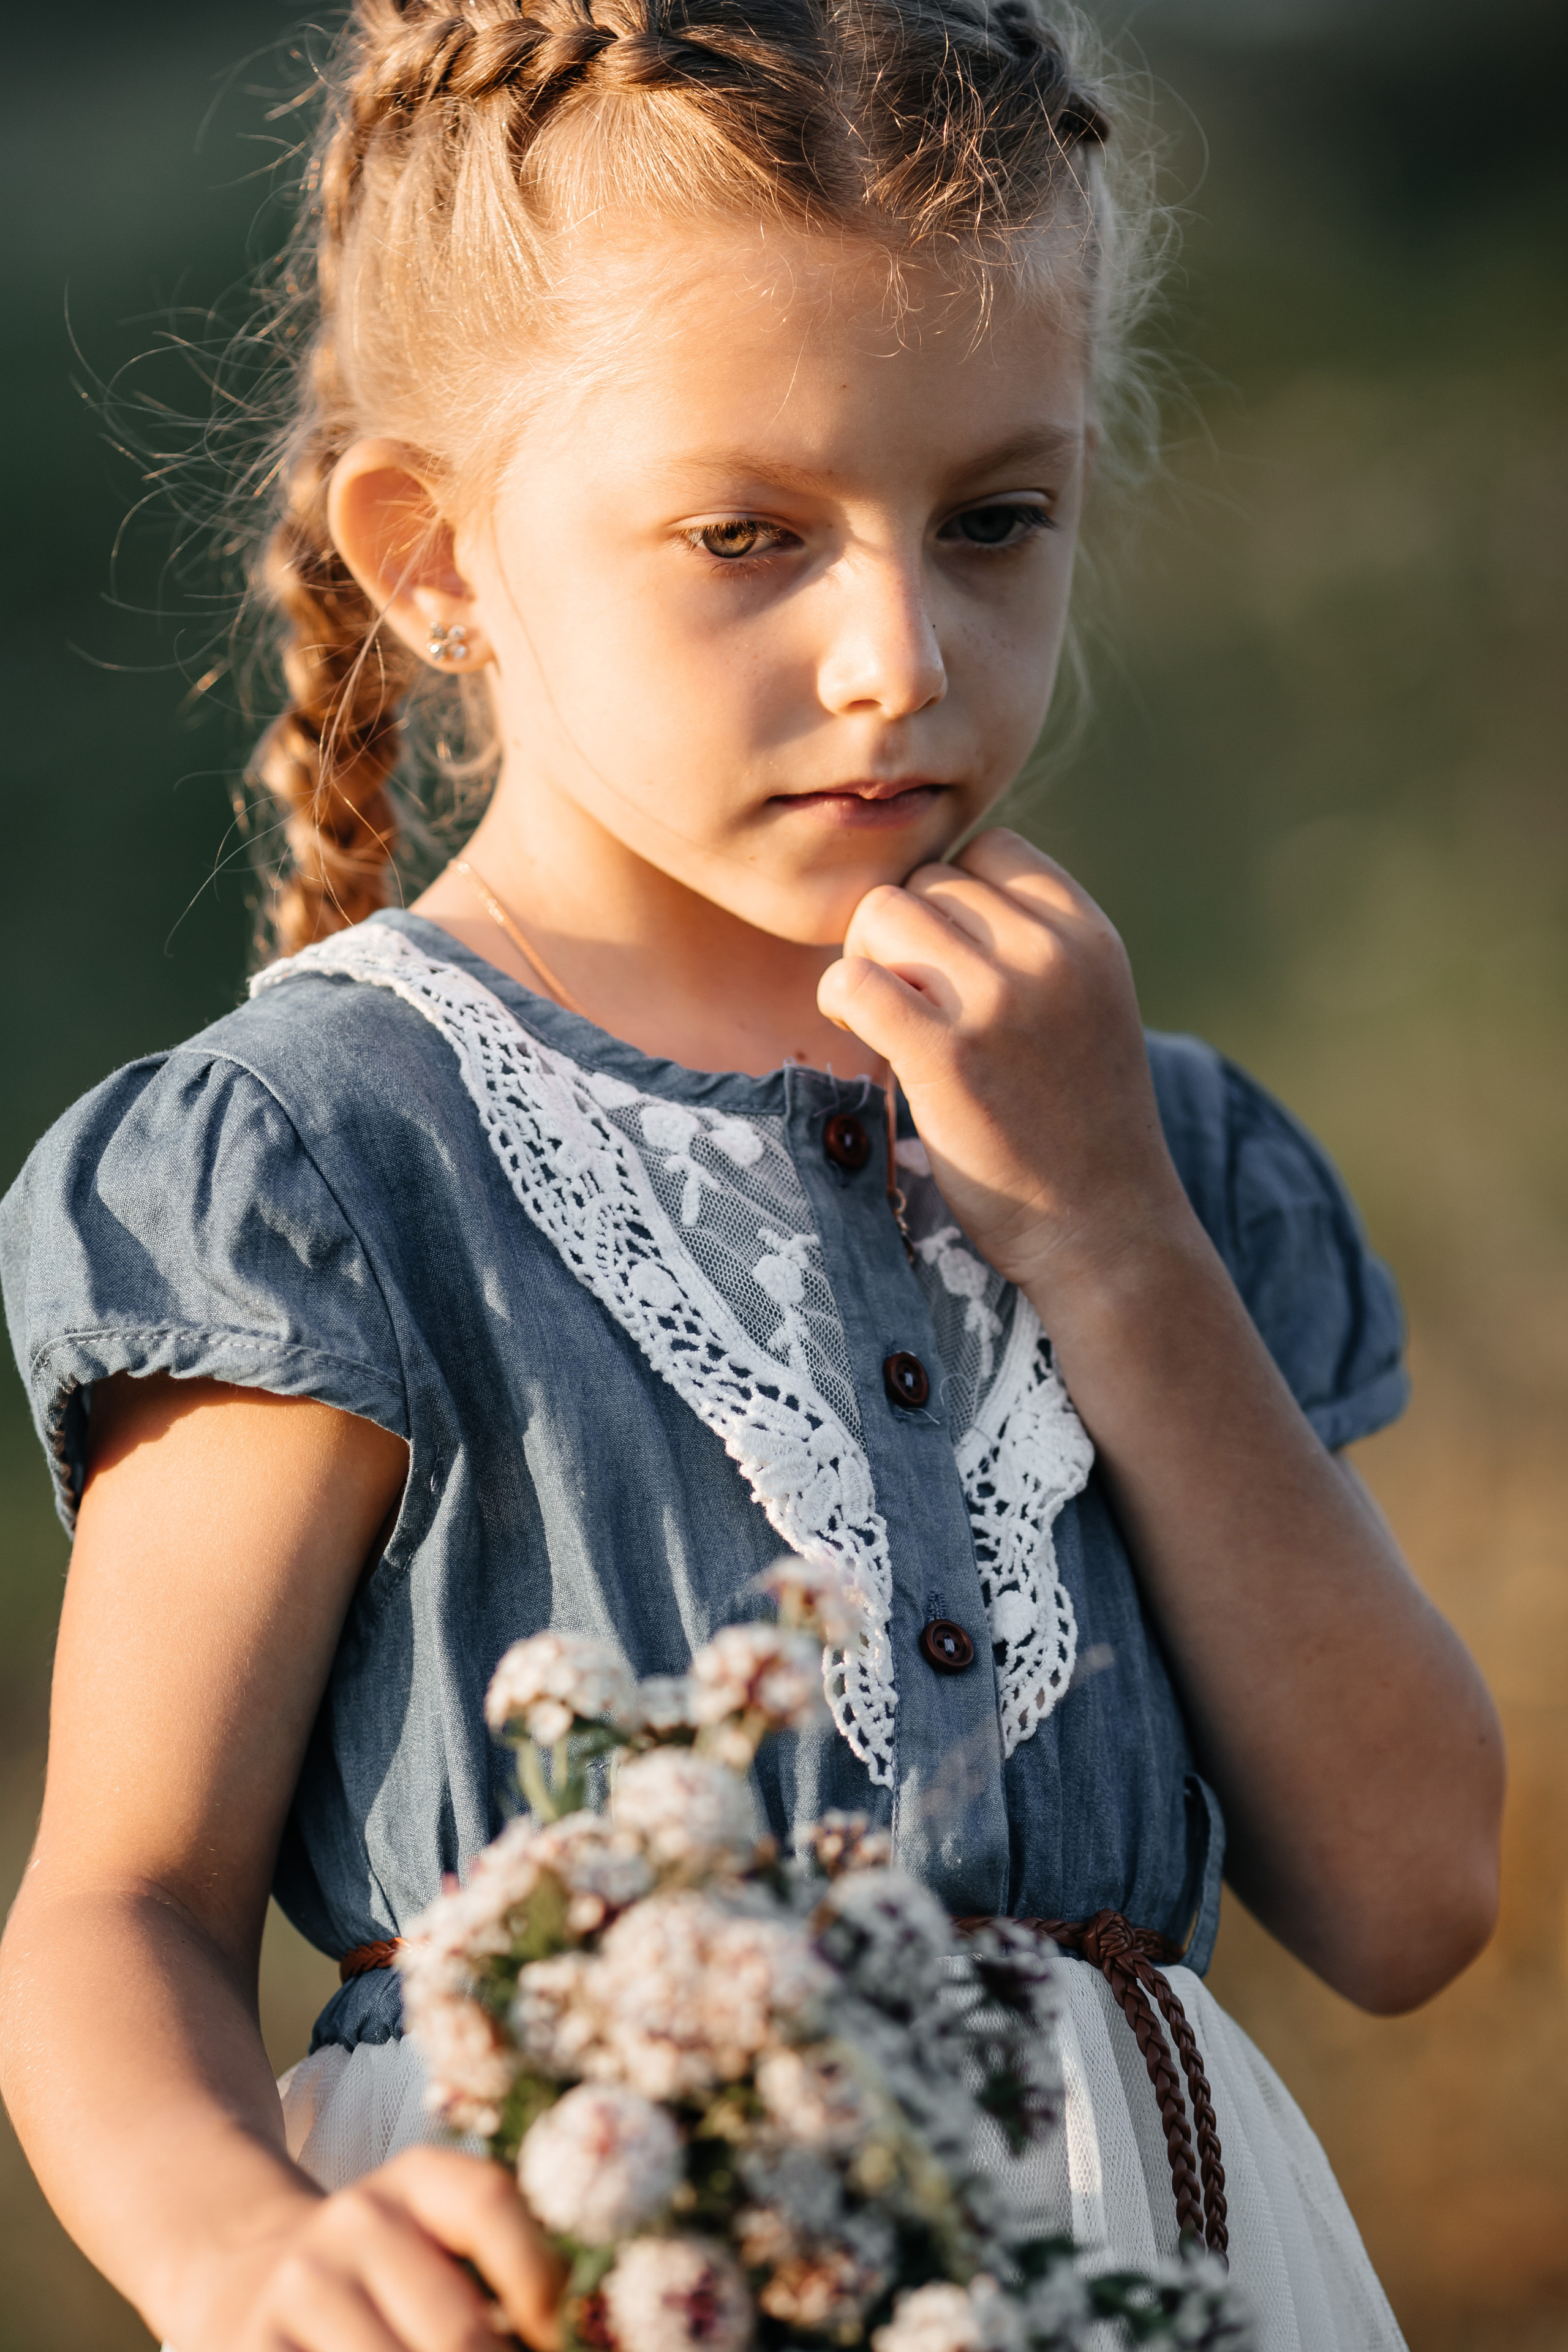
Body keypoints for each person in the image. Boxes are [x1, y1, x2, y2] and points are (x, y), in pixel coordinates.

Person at [0, 1, 1503, 2346]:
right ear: (435, 558)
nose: (900, 657)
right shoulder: (330, 1158)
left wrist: (1116, 1242)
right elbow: (122, 1905)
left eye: (994, 520)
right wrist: (238, 2241)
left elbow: (1412, 1894)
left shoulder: (1165, 1149)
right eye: (746, 536)